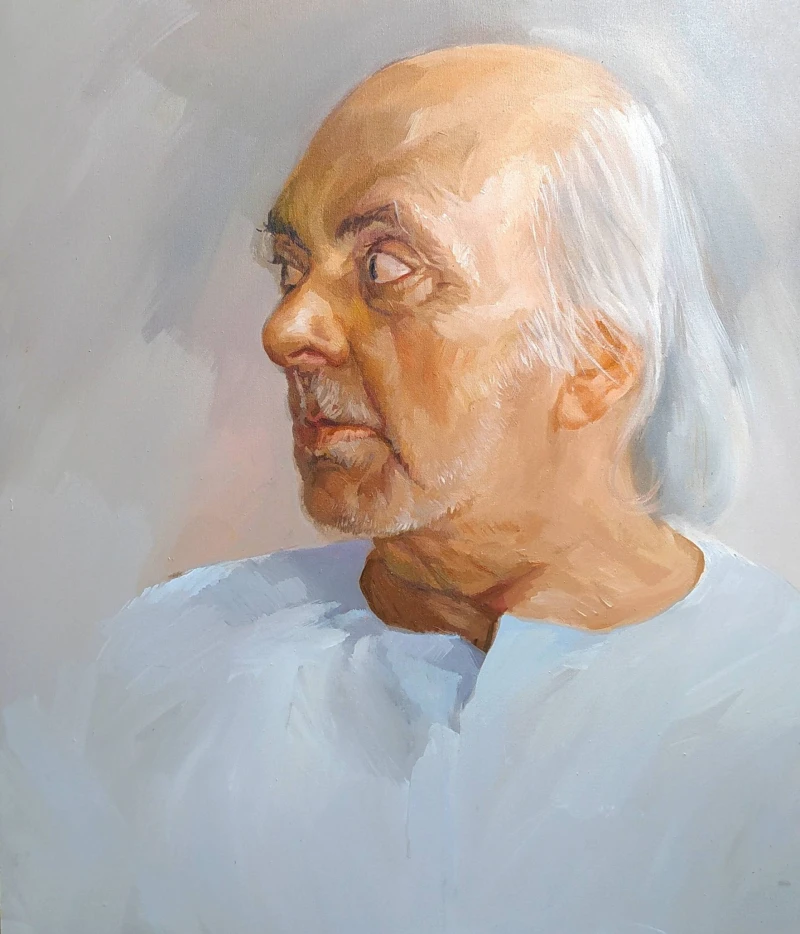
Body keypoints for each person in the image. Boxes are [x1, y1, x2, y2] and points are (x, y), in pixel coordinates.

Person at [2, 44, 800, 934]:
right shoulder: (160, 673)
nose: (286, 328)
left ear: (595, 363)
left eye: (385, 268)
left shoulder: (774, 710)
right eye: (291, 267)